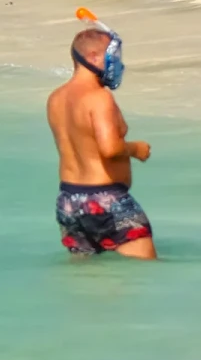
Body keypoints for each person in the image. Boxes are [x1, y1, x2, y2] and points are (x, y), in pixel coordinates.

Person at [47, 15, 157, 259]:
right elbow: (109, 148)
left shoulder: (56, 98)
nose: (117, 63)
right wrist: (136, 149)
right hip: (106, 200)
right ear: (94, 58)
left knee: (87, 280)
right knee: (146, 272)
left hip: (69, 201)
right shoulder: (99, 97)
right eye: (112, 56)